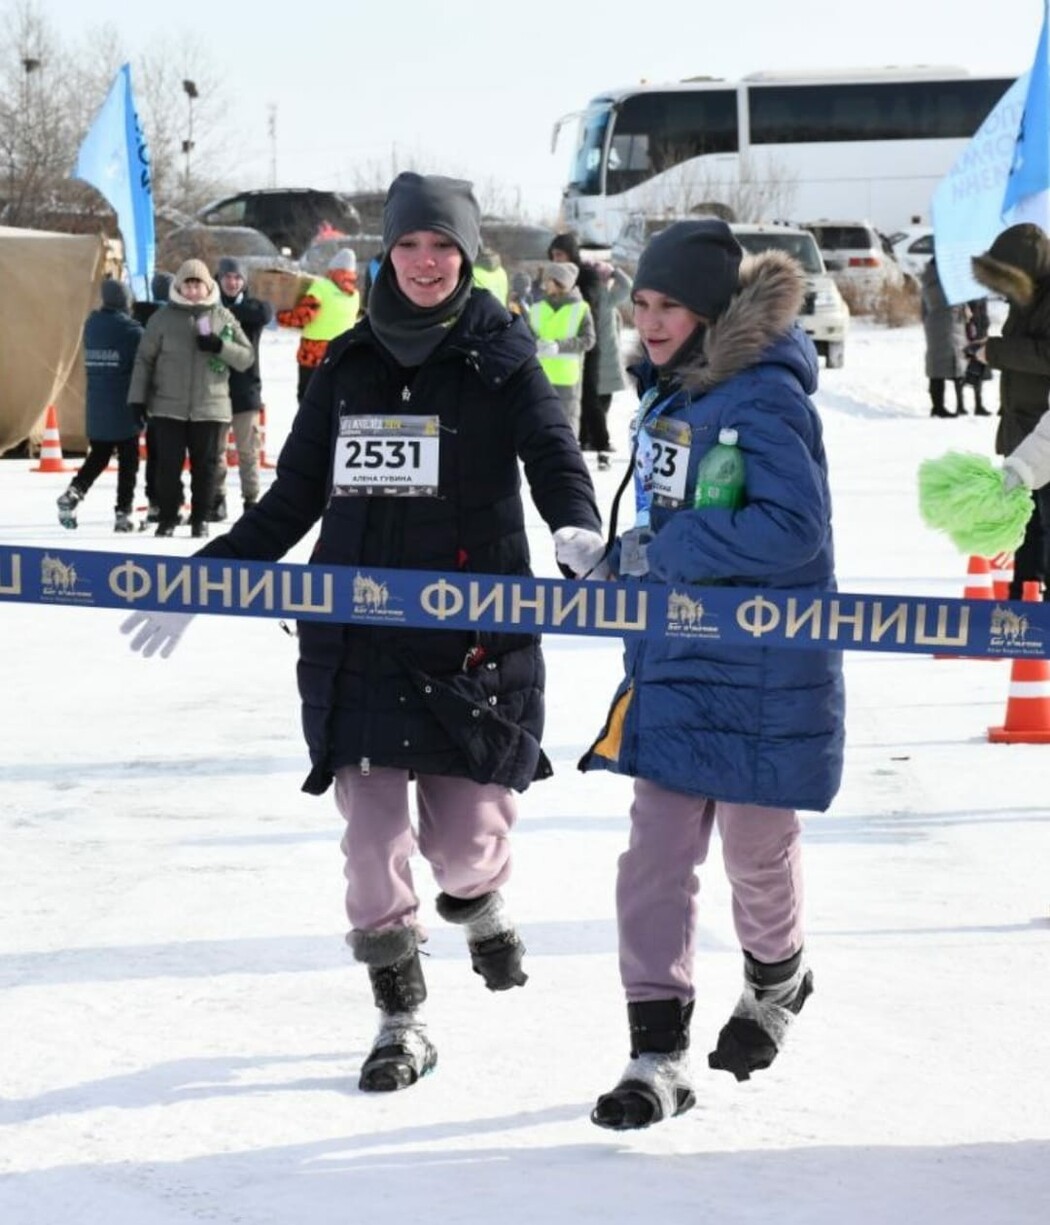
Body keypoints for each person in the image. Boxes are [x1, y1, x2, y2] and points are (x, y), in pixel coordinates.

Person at [121, 171, 602, 1093]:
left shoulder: (502, 356)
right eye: (411, 246)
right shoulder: (346, 363)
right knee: (371, 840)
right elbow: (297, 494)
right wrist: (207, 577)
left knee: (466, 841)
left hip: (472, 639)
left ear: (467, 257)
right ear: (389, 254)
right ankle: (400, 1017)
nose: (426, 264)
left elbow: (552, 452)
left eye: (444, 248)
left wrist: (575, 524)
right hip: (362, 637)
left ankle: (476, 898)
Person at [554, 219, 844, 1131]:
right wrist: (620, 556)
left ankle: (778, 978)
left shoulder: (762, 397)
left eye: (668, 304)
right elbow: (675, 516)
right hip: (675, 662)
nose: (649, 321)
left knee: (757, 853)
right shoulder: (669, 394)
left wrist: (664, 546)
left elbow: (792, 532)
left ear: (713, 309)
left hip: (760, 672)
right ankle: (656, 1053)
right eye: (640, 304)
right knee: (654, 861)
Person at [127, 259, 254, 538]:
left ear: (208, 286)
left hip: (211, 407)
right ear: (179, 286)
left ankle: (201, 519)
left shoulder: (222, 316)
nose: (193, 290)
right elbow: (144, 361)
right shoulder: (161, 319)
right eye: (188, 283)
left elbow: (246, 357)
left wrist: (220, 346)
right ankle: (169, 517)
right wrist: (137, 399)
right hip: (168, 406)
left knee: (206, 468)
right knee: (167, 466)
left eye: (198, 284)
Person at [974, 223, 1050, 598]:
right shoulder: (1027, 299)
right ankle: (1024, 598)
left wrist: (997, 351)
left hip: (1044, 435)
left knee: (1045, 525)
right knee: (1026, 524)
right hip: (1023, 429)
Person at [56, 279, 144, 532]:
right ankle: (123, 512)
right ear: (125, 301)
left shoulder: (91, 326)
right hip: (124, 407)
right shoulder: (132, 331)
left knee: (99, 455)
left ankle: (74, 492)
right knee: (128, 461)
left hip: (97, 407)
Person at [208, 257, 275, 522]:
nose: (232, 283)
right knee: (216, 451)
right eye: (227, 278)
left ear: (244, 282)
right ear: (218, 280)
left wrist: (224, 314)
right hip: (214, 391)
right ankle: (217, 499)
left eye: (237, 278)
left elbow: (264, 313)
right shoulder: (208, 310)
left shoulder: (251, 309)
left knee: (248, 452)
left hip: (246, 390)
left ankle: (251, 500)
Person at [277, 248, 360, 402]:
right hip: (341, 355)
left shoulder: (321, 287)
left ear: (333, 270)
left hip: (313, 355)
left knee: (309, 401)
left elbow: (303, 317)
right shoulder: (355, 295)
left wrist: (280, 317)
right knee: (333, 400)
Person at [549, 231, 604, 452]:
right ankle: (581, 438)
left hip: (585, 341)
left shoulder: (587, 274)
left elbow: (590, 302)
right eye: (553, 255)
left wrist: (568, 291)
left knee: (589, 394)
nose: (556, 260)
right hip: (560, 350)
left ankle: (600, 440)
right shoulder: (553, 276)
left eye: (560, 254)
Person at [528, 260, 596, 437]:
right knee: (539, 424)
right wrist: (534, 344)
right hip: (539, 376)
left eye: (548, 280)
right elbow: (526, 335)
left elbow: (589, 340)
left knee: (566, 427)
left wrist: (559, 346)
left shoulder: (581, 309)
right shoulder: (537, 307)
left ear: (560, 283)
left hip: (567, 380)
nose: (544, 284)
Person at [586, 259, 632, 470]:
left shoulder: (598, 296)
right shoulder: (605, 297)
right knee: (599, 403)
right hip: (603, 358)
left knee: (596, 402)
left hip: (602, 357)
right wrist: (615, 271)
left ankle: (590, 437)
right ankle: (594, 439)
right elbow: (628, 287)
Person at [921, 256, 968, 418]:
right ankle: (945, 407)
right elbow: (952, 300)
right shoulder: (944, 283)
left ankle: (940, 406)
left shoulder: (929, 280)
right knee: (953, 365)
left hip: (938, 324)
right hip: (948, 324)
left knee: (938, 367)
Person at [962, 297, 993, 417]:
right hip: (971, 341)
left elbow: (984, 323)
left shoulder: (983, 301)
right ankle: (962, 405)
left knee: (978, 373)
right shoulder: (968, 301)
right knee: (969, 373)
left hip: (982, 341)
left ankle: (978, 405)